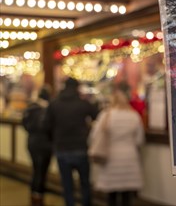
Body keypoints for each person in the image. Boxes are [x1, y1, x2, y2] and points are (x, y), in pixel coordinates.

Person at [44, 77, 98, 206]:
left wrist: (54, 141)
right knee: (85, 183)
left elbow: (46, 125)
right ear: (77, 88)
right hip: (81, 148)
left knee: (67, 185)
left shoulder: (54, 103)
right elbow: (97, 115)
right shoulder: (83, 103)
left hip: (62, 148)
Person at [90, 82, 144, 206]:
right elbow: (139, 140)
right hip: (129, 159)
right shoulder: (134, 116)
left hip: (111, 158)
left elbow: (94, 136)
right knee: (127, 196)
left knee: (112, 195)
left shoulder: (105, 115)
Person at [22, 86, 52, 206]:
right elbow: (48, 127)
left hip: (31, 143)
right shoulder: (47, 109)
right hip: (44, 145)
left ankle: (34, 196)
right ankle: (38, 198)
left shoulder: (30, 108)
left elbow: (25, 125)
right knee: (41, 171)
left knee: (36, 170)